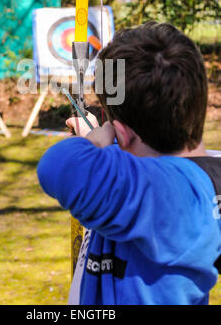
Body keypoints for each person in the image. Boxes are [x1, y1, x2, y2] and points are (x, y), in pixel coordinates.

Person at [37, 21, 221, 305]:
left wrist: (93, 143)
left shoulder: (167, 193)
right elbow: (146, 161)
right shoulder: (203, 178)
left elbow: (58, 166)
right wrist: (107, 140)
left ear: (121, 134)